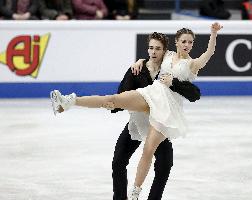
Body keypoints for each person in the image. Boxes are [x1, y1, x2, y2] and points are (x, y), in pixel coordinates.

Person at [50, 22, 222, 199]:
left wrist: (213, 34)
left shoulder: (191, 64)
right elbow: (151, 58)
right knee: (113, 99)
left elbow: (209, 53)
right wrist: (139, 61)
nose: (187, 45)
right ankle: (69, 101)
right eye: (184, 41)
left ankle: (135, 192)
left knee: (149, 149)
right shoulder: (167, 55)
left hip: (167, 108)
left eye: (190, 42)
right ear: (177, 43)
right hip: (152, 94)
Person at [111, 32, 201, 200]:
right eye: (150, 48)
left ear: (165, 51)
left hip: (159, 124)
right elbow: (123, 93)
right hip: (138, 122)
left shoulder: (170, 70)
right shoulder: (137, 69)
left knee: (165, 165)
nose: (153, 52)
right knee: (118, 162)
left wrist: (173, 83)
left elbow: (195, 93)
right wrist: (115, 104)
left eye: (157, 49)